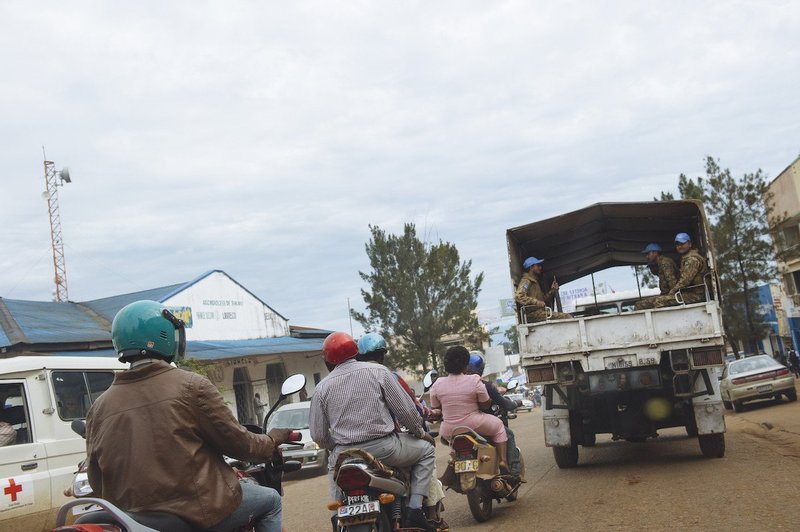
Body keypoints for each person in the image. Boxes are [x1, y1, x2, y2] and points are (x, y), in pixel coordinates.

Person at [85, 300, 292, 532]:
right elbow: (241, 445)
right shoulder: (192, 386)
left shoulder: (99, 407)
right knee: (271, 501)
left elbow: (96, 478)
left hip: (131, 519)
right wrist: (271, 442)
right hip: (197, 511)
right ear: (165, 335)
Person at [310, 332, 437, 532]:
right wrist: (421, 433)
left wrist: (338, 446)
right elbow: (406, 412)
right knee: (427, 450)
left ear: (327, 361)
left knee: (335, 471)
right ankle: (414, 509)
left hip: (344, 455)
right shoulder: (378, 372)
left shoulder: (321, 388)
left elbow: (318, 435)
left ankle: (336, 520)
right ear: (355, 352)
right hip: (386, 448)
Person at [356, 333, 447, 530]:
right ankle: (420, 510)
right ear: (382, 355)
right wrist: (424, 428)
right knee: (427, 450)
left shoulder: (345, 380)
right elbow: (413, 409)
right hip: (387, 445)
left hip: (348, 452)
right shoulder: (388, 375)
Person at [429, 346, 510, 472]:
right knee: (499, 427)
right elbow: (485, 405)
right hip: (474, 424)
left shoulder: (437, 384)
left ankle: (454, 464)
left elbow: (435, 408)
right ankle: (503, 461)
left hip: (448, 430)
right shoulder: (474, 380)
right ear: (466, 365)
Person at [465, 351, 522, 479]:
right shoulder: (484, 386)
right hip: (480, 424)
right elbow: (505, 404)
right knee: (509, 434)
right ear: (482, 368)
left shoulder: (456, 386)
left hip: (458, 426)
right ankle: (513, 470)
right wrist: (516, 403)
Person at [648, 233, 709, 308]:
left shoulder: (692, 259)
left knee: (659, 301)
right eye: (677, 244)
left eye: (682, 244)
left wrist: (671, 293)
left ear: (689, 244)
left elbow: (684, 281)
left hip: (697, 295)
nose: (679, 246)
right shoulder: (685, 258)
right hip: (689, 293)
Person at [514, 256, 572, 322]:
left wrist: (552, 290)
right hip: (533, 314)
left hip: (539, 312)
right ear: (531, 267)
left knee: (566, 316)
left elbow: (542, 300)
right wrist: (536, 302)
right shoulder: (526, 281)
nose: (540, 268)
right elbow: (519, 296)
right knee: (566, 316)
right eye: (538, 266)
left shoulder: (534, 282)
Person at [634, 243, 679, 310]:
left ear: (655, 253)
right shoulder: (659, 264)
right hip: (666, 294)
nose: (647, 257)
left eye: (648, 254)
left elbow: (672, 283)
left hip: (673, 295)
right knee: (639, 304)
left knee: (642, 305)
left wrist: (668, 297)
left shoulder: (665, 262)